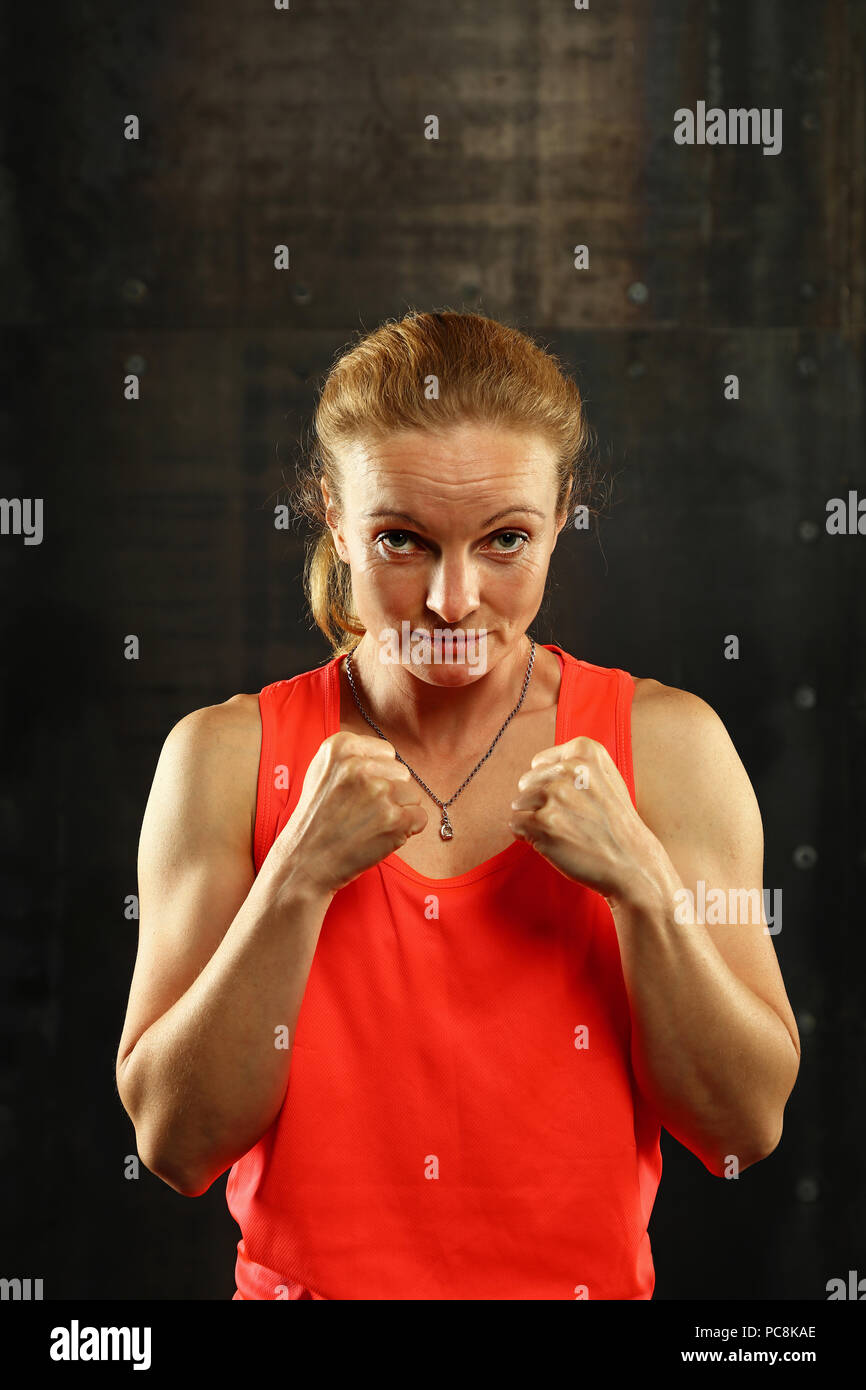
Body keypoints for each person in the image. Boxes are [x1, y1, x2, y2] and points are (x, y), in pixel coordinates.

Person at [115, 309, 800, 1300]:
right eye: (401, 539)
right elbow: (176, 1146)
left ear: (563, 514)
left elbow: (741, 1129)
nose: (450, 600)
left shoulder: (669, 747)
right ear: (333, 516)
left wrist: (644, 892)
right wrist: (294, 879)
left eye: (503, 540)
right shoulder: (224, 759)